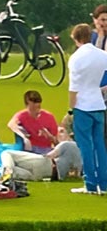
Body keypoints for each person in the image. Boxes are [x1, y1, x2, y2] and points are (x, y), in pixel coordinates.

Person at [66, 22, 107, 195]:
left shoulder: (76, 58)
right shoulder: (102, 55)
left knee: (86, 146)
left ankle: (90, 184)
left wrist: (71, 108)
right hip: (98, 103)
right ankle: (104, 184)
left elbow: (73, 88)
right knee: (100, 145)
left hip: (83, 105)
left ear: (76, 39)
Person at [7, 90, 59, 154]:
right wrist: (23, 136)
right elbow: (11, 124)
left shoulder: (49, 117)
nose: (36, 111)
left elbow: (57, 142)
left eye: (38, 107)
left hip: (45, 150)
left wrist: (49, 136)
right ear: (27, 106)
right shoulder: (22, 115)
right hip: (29, 149)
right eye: (32, 108)